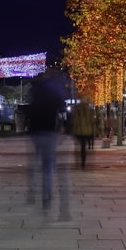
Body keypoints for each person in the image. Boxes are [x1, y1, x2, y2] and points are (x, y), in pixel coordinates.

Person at [26, 74, 70, 220]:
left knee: (35, 162)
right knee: (48, 166)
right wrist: (63, 127)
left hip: (36, 132)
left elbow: (29, 110)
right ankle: (47, 197)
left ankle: (31, 190)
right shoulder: (56, 91)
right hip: (50, 132)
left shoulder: (35, 90)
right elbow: (63, 111)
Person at [71, 101, 94, 169]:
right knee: (83, 147)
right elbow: (92, 121)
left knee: (80, 146)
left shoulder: (77, 111)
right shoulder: (89, 110)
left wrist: (74, 130)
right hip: (87, 131)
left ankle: (79, 161)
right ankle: (83, 161)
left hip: (79, 131)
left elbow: (75, 121)